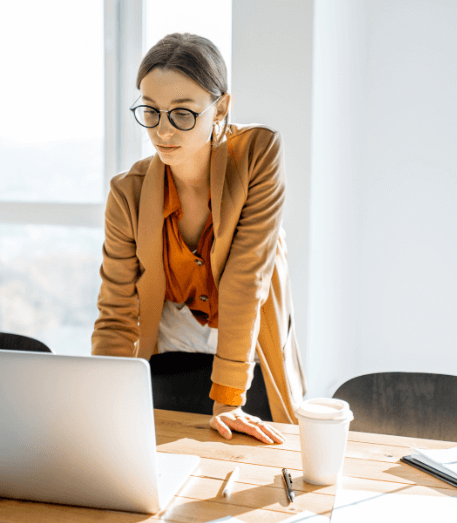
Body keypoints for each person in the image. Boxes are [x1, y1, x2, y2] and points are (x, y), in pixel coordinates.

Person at [92, 33, 306, 444]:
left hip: (248, 355)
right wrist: (101, 403)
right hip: (170, 353)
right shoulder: (128, 192)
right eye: (151, 111)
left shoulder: (257, 155)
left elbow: (247, 280)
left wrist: (228, 401)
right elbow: (116, 314)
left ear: (221, 108)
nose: (163, 131)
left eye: (183, 114)